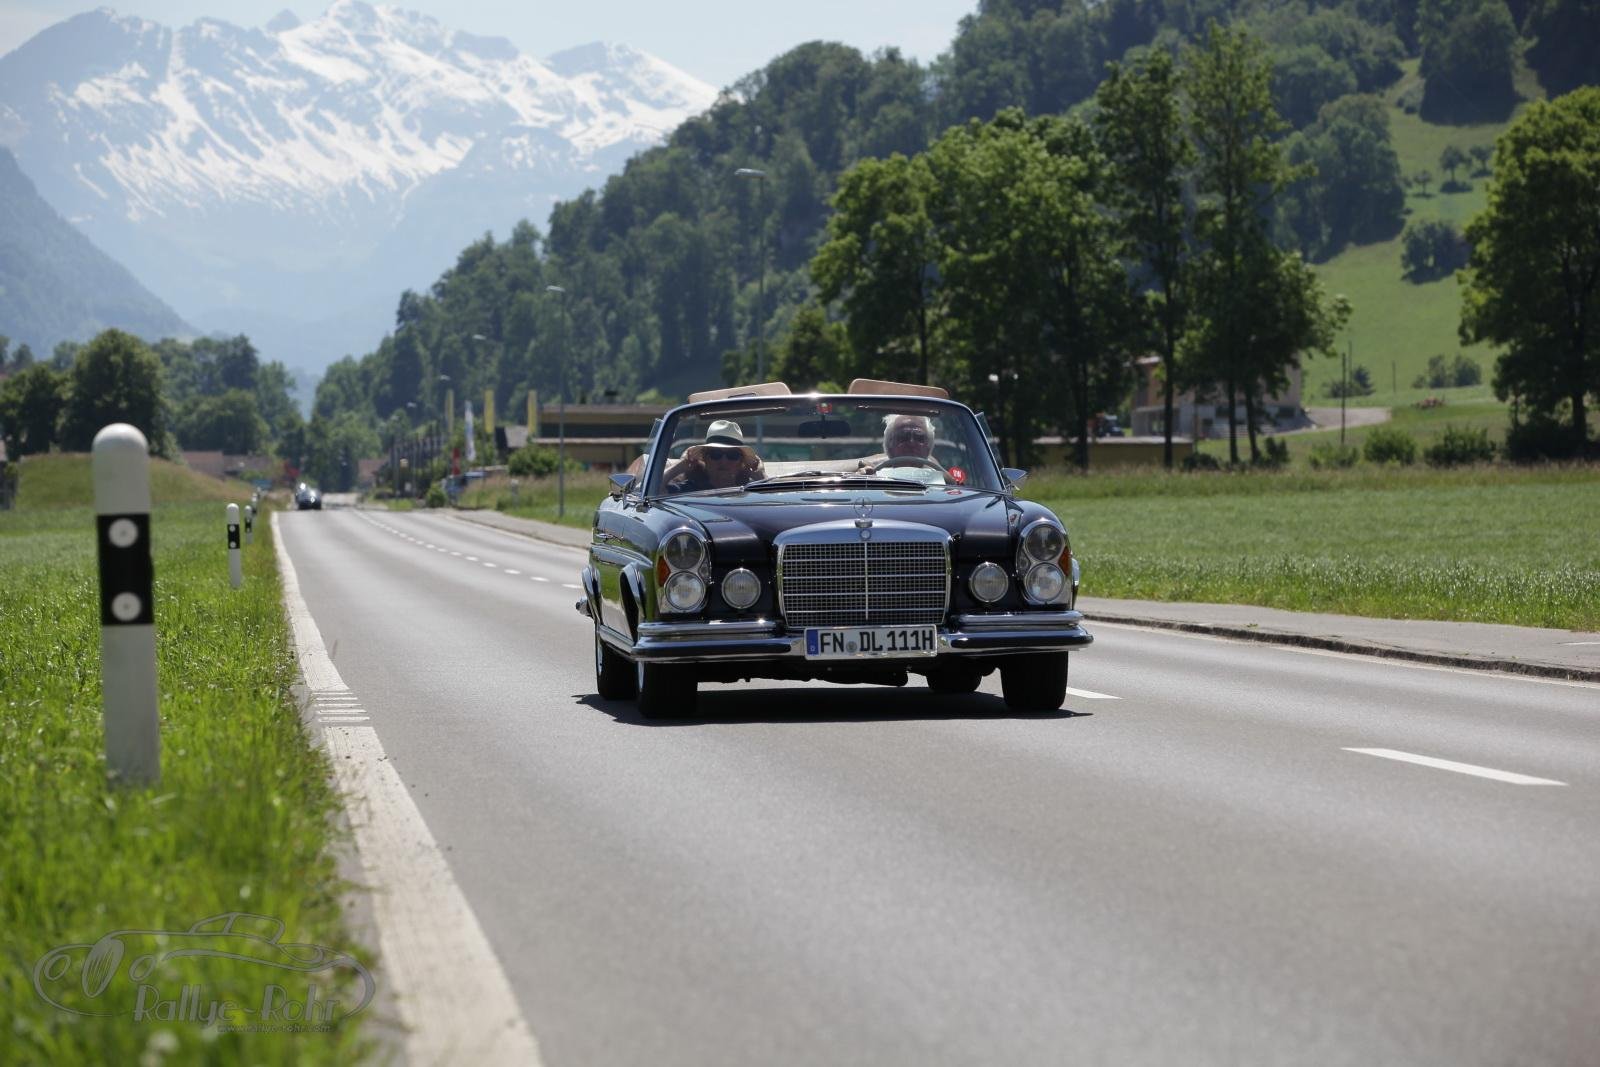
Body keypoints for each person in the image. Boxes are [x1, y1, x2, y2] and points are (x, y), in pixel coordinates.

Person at [663, 419, 765, 493]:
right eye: (716, 454)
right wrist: (679, 467)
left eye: (732, 455)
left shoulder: (751, 490)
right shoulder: (689, 490)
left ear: (740, 462)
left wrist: (761, 477)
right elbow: (655, 491)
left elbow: (773, 502)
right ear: (705, 458)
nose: (724, 461)